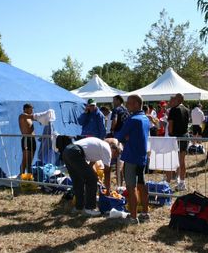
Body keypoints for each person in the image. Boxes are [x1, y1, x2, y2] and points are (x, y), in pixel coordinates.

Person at [62, 137, 122, 216]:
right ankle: (89, 208)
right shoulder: (107, 150)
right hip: (75, 152)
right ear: (114, 150)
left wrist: (93, 174)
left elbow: (90, 165)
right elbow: (107, 172)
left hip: (67, 151)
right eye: (116, 155)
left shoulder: (100, 147)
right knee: (92, 180)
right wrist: (108, 190)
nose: (114, 157)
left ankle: (78, 207)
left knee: (78, 181)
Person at [115, 94, 150, 224]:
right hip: (141, 157)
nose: (127, 105)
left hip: (131, 156)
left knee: (131, 187)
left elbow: (120, 135)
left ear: (136, 104)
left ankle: (133, 217)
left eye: (129, 103)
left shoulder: (132, 119)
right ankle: (145, 214)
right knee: (142, 185)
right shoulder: (145, 118)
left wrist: (126, 137)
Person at [168, 93, 189, 191]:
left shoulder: (174, 110)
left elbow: (170, 125)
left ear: (178, 100)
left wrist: (170, 133)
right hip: (185, 136)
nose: (173, 101)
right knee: (182, 161)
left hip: (176, 137)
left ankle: (176, 179)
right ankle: (181, 182)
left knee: (176, 160)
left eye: (175, 99)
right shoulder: (186, 109)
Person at [19, 103, 37, 174]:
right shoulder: (22, 115)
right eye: (31, 109)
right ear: (25, 109)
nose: (32, 110)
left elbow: (34, 118)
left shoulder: (29, 118)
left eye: (32, 109)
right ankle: (21, 175)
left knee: (30, 160)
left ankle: (29, 177)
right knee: (25, 159)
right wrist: (44, 115)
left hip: (32, 139)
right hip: (26, 139)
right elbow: (34, 117)